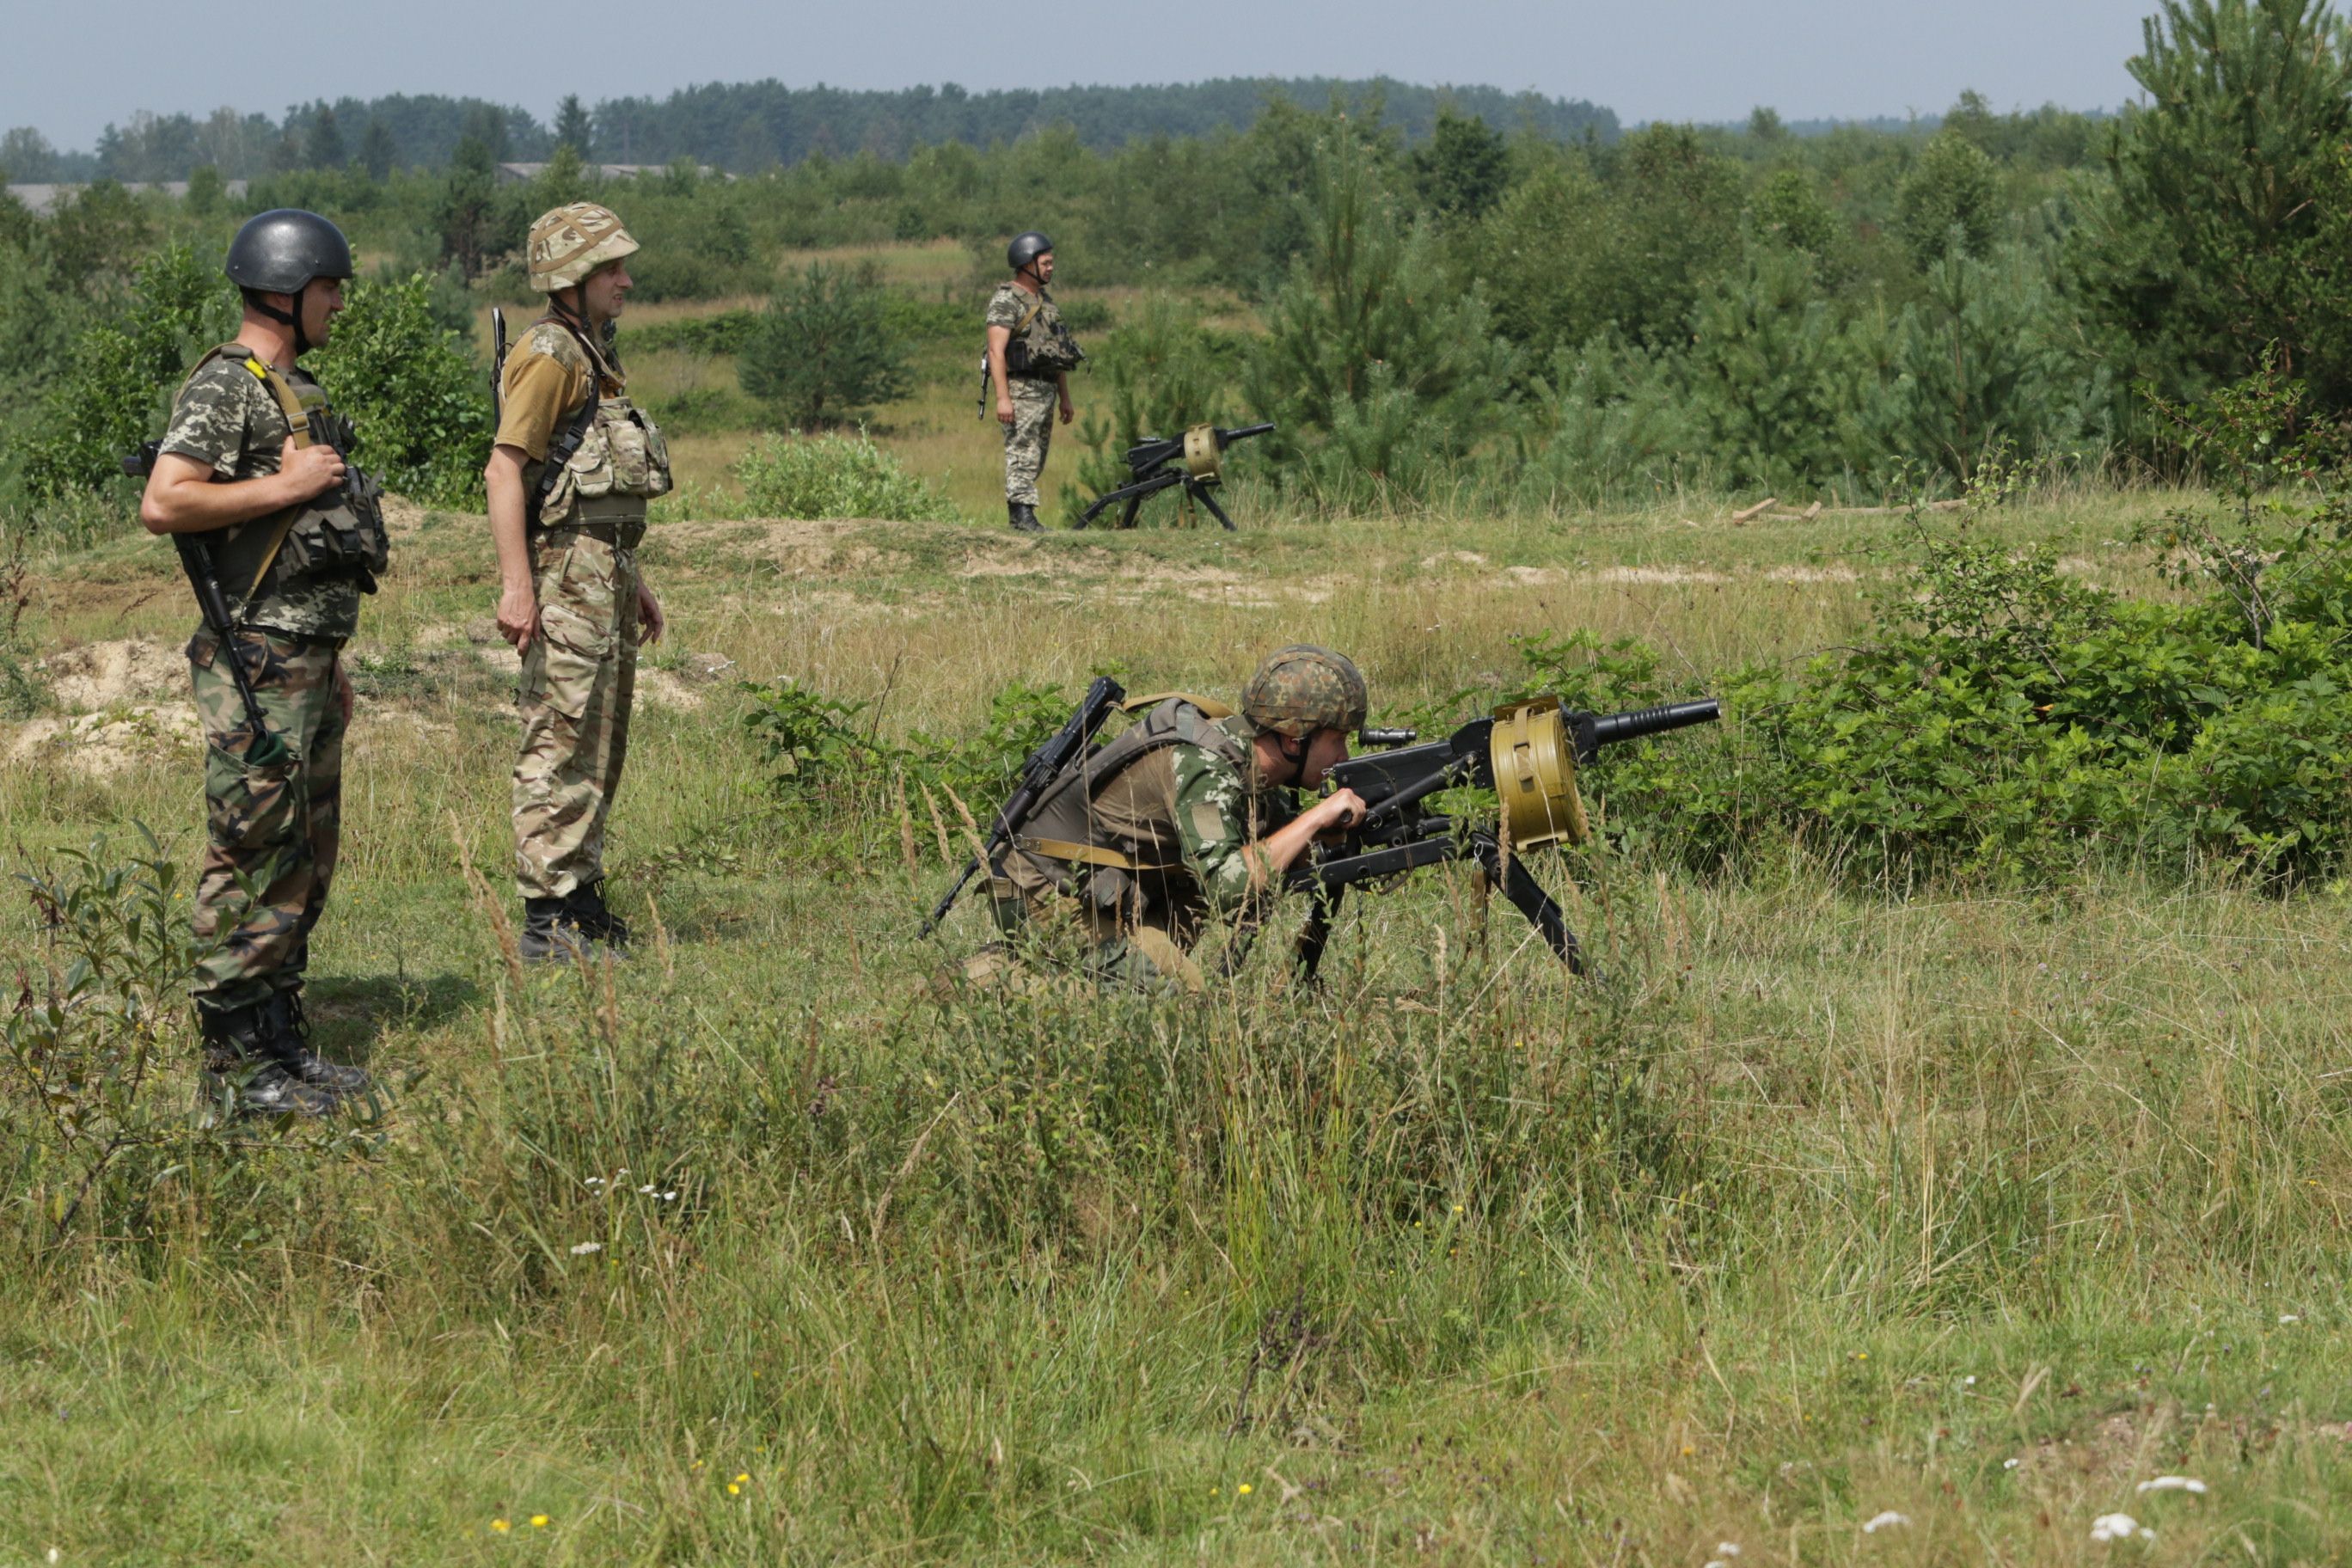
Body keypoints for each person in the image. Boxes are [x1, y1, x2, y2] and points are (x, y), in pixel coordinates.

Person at [138, 208, 387, 1116]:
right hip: (256, 655)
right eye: (328, 289)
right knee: (249, 848)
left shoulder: (295, 387)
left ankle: (281, 1038)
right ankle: (235, 1064)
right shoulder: (226, 386)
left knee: (306, 848)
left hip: (305, 657)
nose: (337, 305)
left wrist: (333, 663)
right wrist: (287, 483)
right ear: (283, 292)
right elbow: (166, 501)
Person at [483, 201, 671, 962]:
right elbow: (506, 469)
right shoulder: (551, 354)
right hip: (566, 577)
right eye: (611, 268)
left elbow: (594, 488)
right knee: (556, 738)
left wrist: (637, 579)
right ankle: (545, 915)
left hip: (604, 572)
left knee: (598, 742)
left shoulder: (592, 353)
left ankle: (580, 898)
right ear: (572, 276)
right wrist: (516, 585)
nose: (626, 279)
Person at [983, 646, 1371, 989]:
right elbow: (1229, 888)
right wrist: (1315, 819)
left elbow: (1277, 851)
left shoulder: (1253, 764)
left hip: (1103, 889)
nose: (1344, 757)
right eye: (1336, 740)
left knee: (1168, 973)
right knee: (1183, 1009)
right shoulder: (1203, 768)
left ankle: (1103, 971)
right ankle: (996, 977)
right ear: (1293, 739)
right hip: (1036, 890)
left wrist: (1326, 836)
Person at [983, 230, 1083, 533]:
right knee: (1021, 451)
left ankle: (1022, 512)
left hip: (1046, 389)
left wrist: (1064, 397)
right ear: (1028, 264)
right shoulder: (1006, 300)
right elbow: (995, 351)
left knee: (1036, 455)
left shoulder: (1046, 302)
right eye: (1046, 262)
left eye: (1052, 262)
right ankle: (1021, 514)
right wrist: (1003, 398)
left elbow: (1057, 353)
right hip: (1021, 390)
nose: (1051, 268)